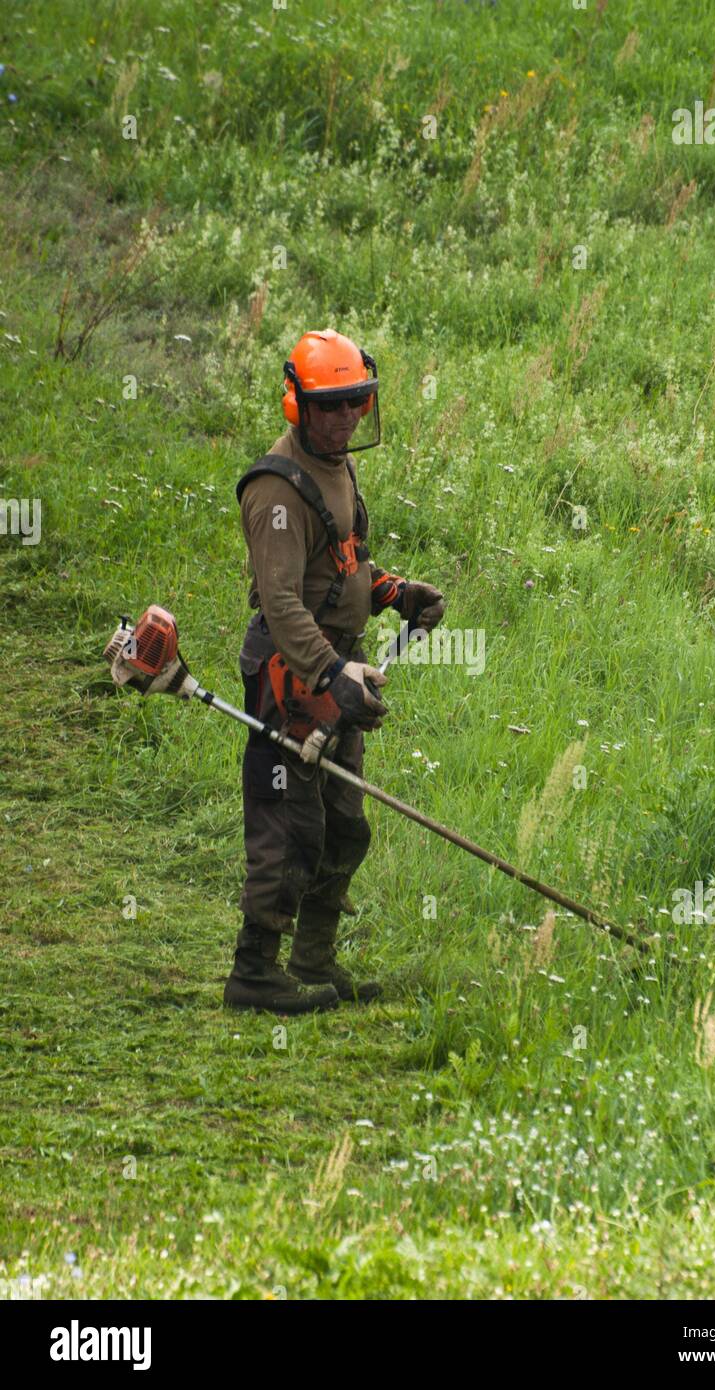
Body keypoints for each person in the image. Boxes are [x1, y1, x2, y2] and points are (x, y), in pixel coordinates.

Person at [224, 329, 445, 1015]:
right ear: (298, 405)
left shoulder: (337, 465)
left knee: (345, 825)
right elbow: (283, 600)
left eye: (359, 401)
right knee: (290, 828)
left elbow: (341, 565)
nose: (347, 417)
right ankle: (254, 973)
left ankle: (314, 961)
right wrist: (330, 673)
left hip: (335, 671)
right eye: (332, 405)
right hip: (292, 679)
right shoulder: (276, 490)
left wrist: (394, 593)